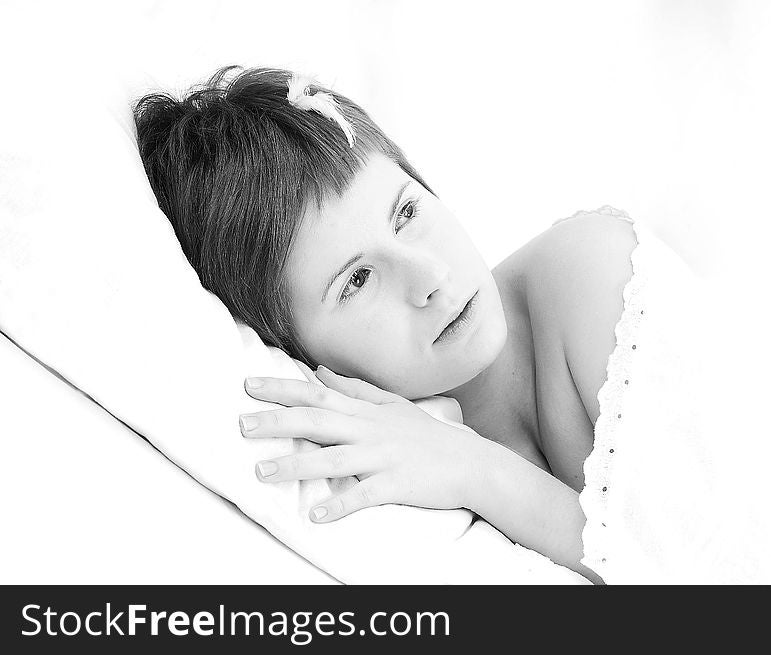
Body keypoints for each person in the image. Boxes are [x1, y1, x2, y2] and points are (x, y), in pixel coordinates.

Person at [134, 66, 637, 583]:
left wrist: (478, 470)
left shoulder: (599, 277)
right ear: (295, 354)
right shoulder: (405, 466)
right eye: (357, 280)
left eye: (406, 213)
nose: (431, 277)